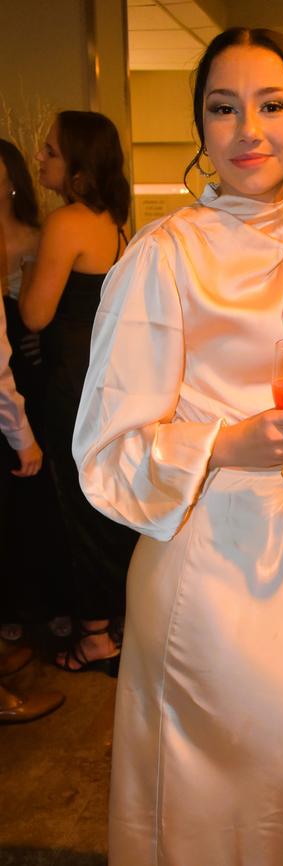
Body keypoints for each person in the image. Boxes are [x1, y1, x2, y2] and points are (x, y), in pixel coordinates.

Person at [73, 28, 283, 865]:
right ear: (201, 129)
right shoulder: (164, 255)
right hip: (207, 569)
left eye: (271, 105)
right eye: (224, 109)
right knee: (206, 796)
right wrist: (227, 444)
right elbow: (106, 450)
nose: (248, 130)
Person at [19, 111, 138, 673]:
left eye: (50, 150)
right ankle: (116, 619)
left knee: (76, 506)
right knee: (107, 503)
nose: (39, 158)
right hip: (106, 380)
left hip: (69, 382)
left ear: (78, 167)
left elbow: (36, 315)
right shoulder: (117, 222)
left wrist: (23, 276)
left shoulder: (66, 222)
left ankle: (94, 636)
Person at [0, 138, 70, 638]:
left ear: (10, 180)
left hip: (32, 370)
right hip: (5, 377)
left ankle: (43, 603)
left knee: (38, 493)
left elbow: (42, 317)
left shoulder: (39, 235)